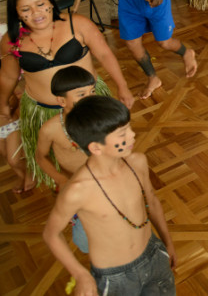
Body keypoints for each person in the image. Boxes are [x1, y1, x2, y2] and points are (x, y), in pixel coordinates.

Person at [0, 0, 134, 190]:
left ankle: (113, 180)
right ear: (16, 14)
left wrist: (122, 86)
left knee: (103, 145)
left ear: (50, 3)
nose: (36, 13)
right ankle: (69, 187)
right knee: (58, 154)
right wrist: (3, 102)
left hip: (88, 103)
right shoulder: (12, 39)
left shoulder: (77, 23)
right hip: (42, 111)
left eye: (40, 4)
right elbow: (8, 76)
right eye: (26, 9)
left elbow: (105, 54)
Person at [43, 95, 177, 296]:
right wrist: (80, 274)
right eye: (123, 134)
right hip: (115, 278)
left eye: (129, 128)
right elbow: (51, 234)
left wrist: (167, 242)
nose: (132, 135)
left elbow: (153, 202)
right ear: (95, 147)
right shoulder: (78, 190)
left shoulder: (137, 162)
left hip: (154, 254)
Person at [36, 66, 97, 253]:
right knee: (86, 240)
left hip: (106, 180)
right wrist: (61, 179)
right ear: (61, 101)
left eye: (92, 91)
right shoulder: (51, 129)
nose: (89, 98)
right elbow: (40, 156)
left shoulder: (101, 118)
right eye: (81, 94)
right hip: (77, 186)